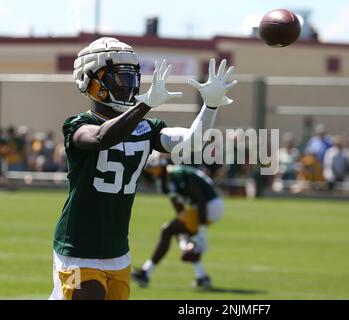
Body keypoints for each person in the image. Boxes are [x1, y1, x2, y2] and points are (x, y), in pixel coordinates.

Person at [49, 37, 237, 300]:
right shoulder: (78, 124)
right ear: (89, 81)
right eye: (116, 78)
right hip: (78, 248)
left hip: (117, 250)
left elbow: (192, 142)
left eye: (130, 77)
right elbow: (102, 137)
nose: (126, 86)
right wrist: (145, 105)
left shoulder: (147, 127)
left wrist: (211, 106)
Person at [132, 157, 224, 289]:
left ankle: (145, 274)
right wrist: (184, 237)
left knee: (167, 230)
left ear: (158, 170)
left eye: (149, 172)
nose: (147, 176)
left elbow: (200, 199)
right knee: (176, 232)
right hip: (203, 207)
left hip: (210, 206)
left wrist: (201, 233)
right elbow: (178, 207)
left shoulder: (177, 175)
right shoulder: (166, 180)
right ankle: (201, 276)